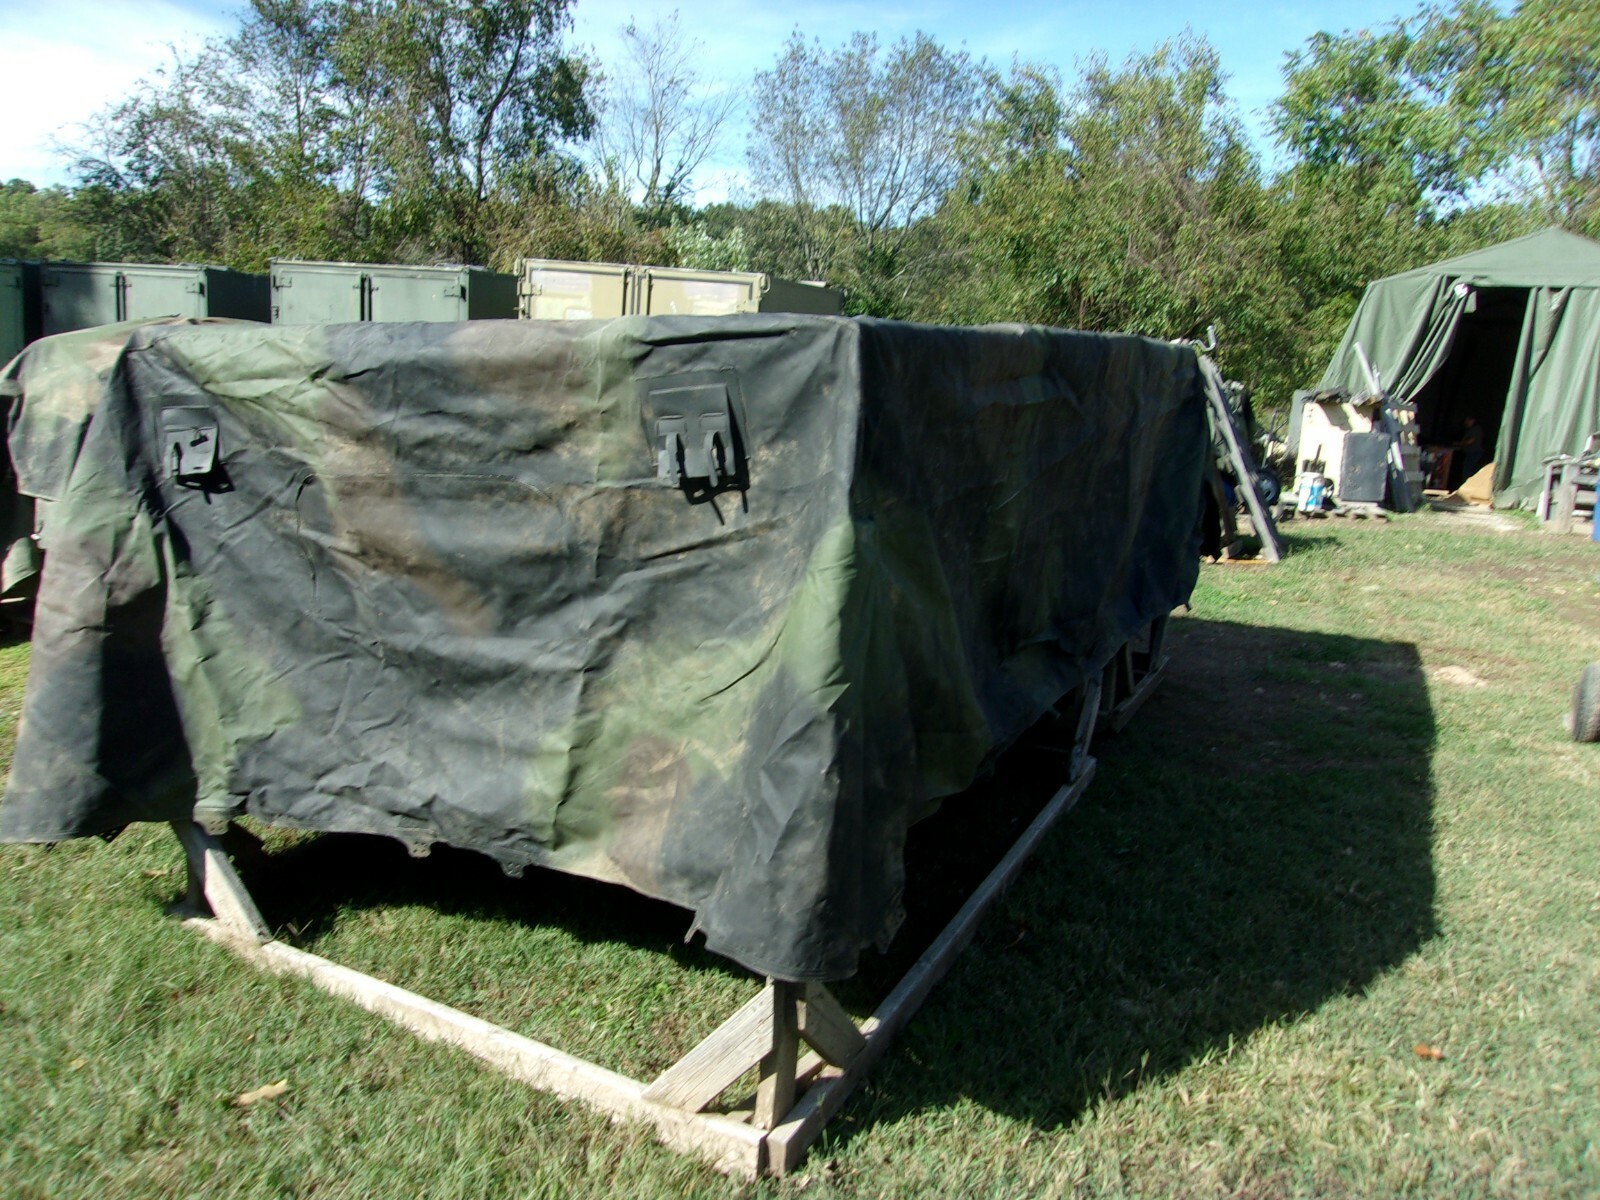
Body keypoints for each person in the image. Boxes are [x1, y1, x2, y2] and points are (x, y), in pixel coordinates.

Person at [1457, 415, 1486, 480]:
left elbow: (1470, 441)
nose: (1466, 422)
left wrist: (1459, 443)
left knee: (1468, 470)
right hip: (1471, 452)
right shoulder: (1471, 429)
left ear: (1472, 421)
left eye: (1468, 421)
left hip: (1474, 452)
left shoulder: (1476, 429)